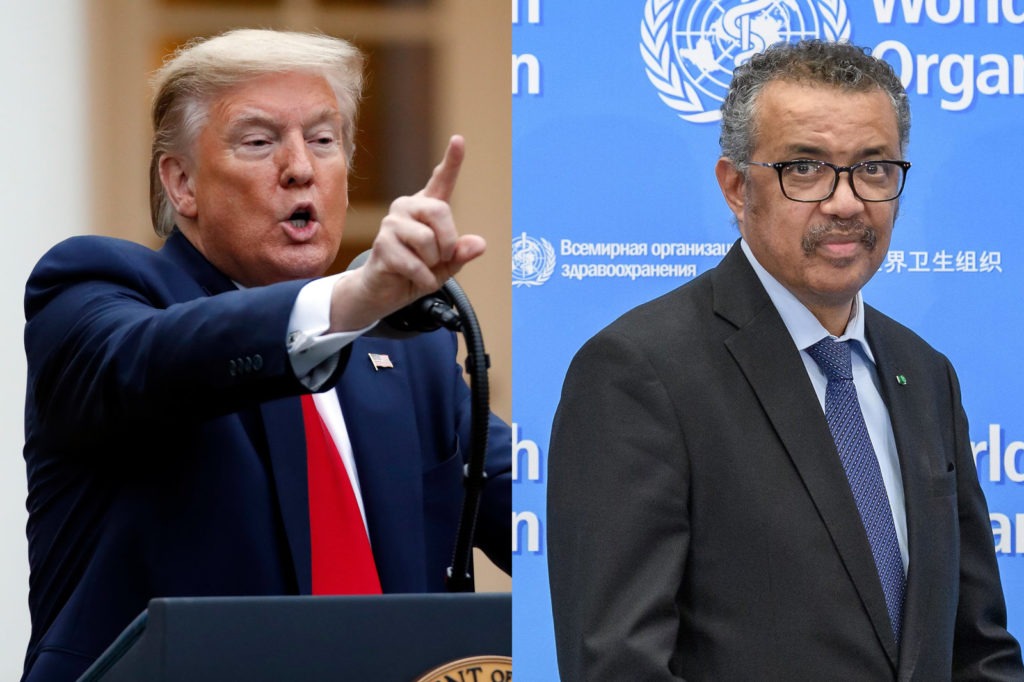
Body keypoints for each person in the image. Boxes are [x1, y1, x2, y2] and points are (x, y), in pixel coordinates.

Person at [21, 29, 510, 681]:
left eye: (323, 139)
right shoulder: (96, 289)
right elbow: (154, 359)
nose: (300, 167)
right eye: (258, 141)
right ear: (182, 182)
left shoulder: (411, 351)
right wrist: (350, 300)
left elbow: (556, 516)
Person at [547, 40, 1023, 680]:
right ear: (736, 186)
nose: (847, 202)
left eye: (874, 167)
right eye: (806, 168)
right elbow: (618, 664)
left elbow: (976, 646)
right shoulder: (639, 371)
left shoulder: (924, 371)